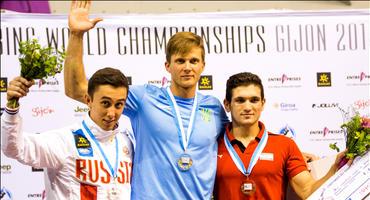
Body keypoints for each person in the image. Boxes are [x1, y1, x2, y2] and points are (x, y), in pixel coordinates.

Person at [64, 1, 229, 199]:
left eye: (193, 61)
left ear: (203, 65)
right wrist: (76, 35)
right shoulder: (145, 98)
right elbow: (76, 89)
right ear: (168, 66)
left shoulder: (213, 108)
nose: (187, 67)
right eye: (180, 61)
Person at [1, 68, 134, 199]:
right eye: (105, 103)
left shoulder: (127, 143)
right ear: (88, 101)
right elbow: (13, 148)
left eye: (118, 105)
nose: (112, 113)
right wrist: (12, 108)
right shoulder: (64, 141)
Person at [214, 72, 347, 200]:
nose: (248, 107)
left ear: (262, 103)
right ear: (227, 105)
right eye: (240, 100)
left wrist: (334, 169)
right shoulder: (211, 147)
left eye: (254, 100)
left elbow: (307, 190)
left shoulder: (285, 145)